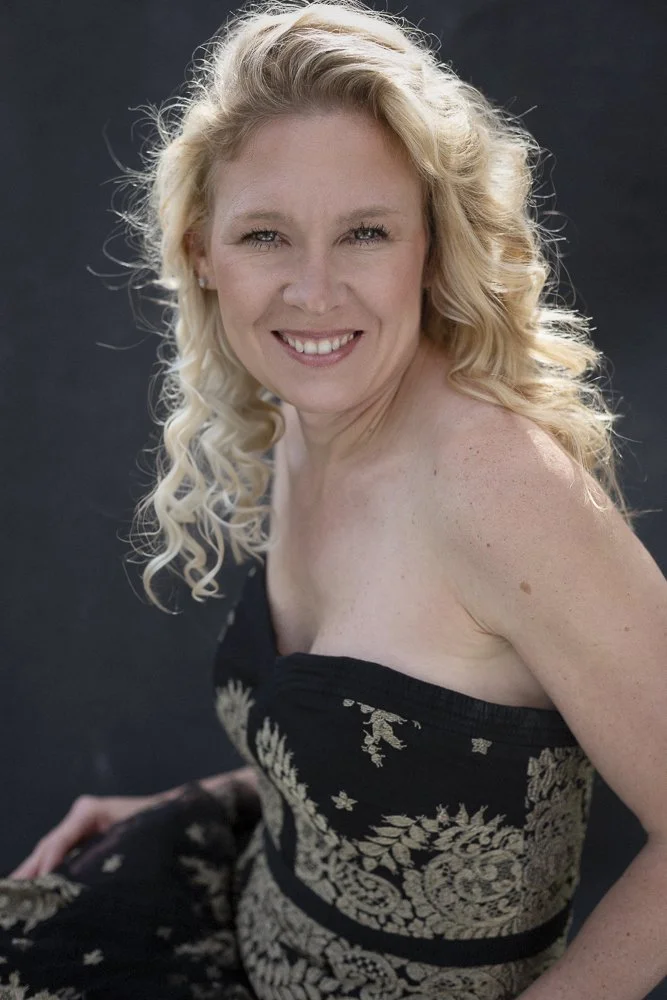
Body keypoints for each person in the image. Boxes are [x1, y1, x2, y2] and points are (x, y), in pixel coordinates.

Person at [3, 1, 667, 997]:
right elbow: (400, 767)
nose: (315, 293)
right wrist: (184, 802)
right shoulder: (312, 415)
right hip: (231, 908)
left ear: (430, 248)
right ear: (201, 252)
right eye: (266, 234)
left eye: (364, 232)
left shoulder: (498, 484)